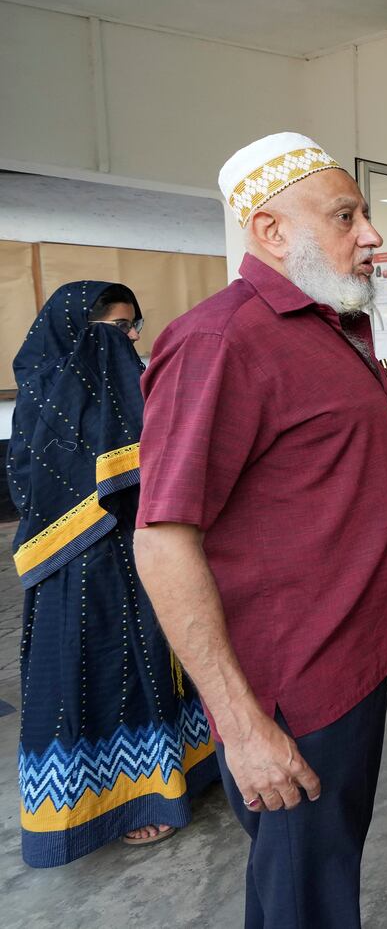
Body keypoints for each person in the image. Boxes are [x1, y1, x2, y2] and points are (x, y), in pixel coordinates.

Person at [133, 132, 387, 928]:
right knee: (305, 892)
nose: (372, 233)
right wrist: (244, 727)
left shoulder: (331, 321)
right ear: (272, 231)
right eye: (346, 215)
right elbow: (162, 537)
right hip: (292, 684)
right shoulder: (222, 340)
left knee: (312, 870)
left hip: (349, 658)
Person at [9, 282, 216, 867]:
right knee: (102, 667)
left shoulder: (121, 381)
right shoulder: (51, 389)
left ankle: (181, 770)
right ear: (81, 333)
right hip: (79, 566)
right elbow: (38, 480)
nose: (130, 339)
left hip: (136, 549)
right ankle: (129, 798)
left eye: (134, 325)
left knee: (164, 652)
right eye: (117, 328)